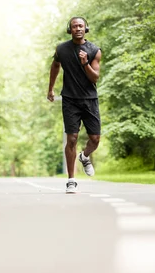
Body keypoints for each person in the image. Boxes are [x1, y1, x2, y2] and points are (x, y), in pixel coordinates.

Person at [48, 17, 102, 194]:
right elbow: (55, 66)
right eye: (74, 26)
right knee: (72, 138)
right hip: (70, 99)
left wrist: (85, 62)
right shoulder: (62, 49)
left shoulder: (94, 50)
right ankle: (71, 180)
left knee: (95, 140)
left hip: (89, 99)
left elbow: (95, 77)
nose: (77, 28)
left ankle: (84, 156)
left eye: (80, 26)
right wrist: (51, 89)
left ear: (86, 28)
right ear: (69, 29)